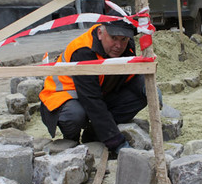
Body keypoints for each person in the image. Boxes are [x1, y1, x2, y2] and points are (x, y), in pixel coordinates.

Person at [38, 14, 148, 155]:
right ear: (100, 33)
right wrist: (117, 142)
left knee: (140, 96)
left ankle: (92, 135)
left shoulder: (127, 46)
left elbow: (129, 76)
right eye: (113, 38)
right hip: (63, 97)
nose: (119, 45)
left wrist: (145, 86)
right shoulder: (83, 51)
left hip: (97, 93)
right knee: (76, 115)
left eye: (124, 39)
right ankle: (71, 142)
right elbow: (91, 100)